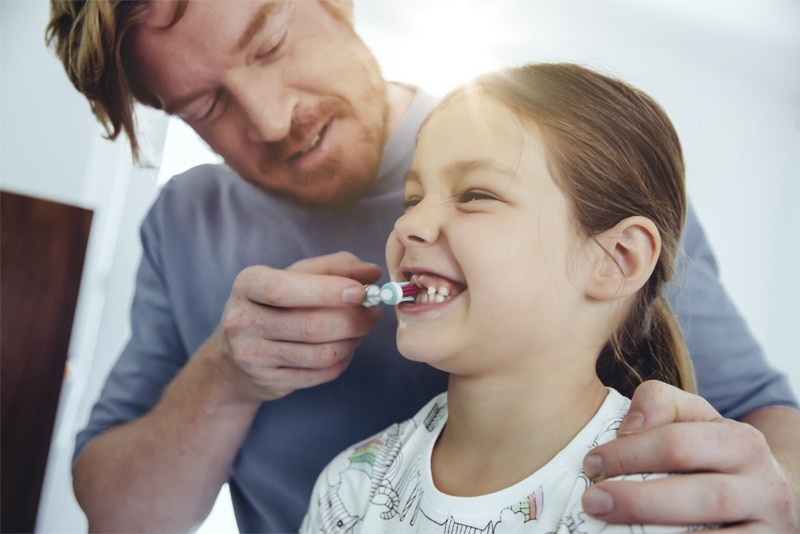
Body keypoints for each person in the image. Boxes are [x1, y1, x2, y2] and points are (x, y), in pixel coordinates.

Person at [44, 1, 799, 532]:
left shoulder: (584, 171)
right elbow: (116, 514)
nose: (270, 120)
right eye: (206, 106)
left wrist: (773, 504)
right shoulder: (182, 223)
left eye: (268, 43)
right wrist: (227, 376)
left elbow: (768, 429)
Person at [301, 60, 701, 533]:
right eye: (413, 199)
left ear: (616, 260)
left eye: (474, 195)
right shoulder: (351, 486)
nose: (409, 224)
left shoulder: (657, 495)